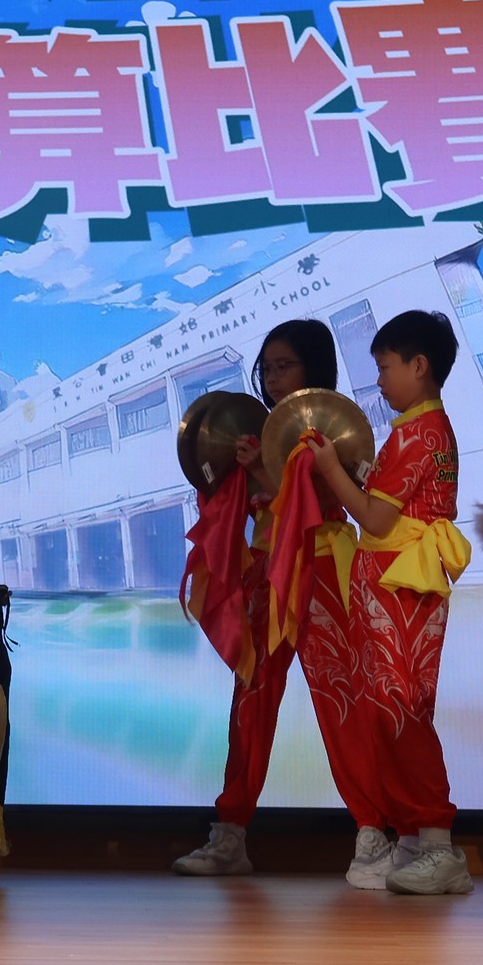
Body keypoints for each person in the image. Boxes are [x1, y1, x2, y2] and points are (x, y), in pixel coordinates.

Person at [174, 320, 387, 882]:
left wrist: (263, 474)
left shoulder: (332, 427)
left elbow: (322, 499)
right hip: (270, 571)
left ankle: (372, 835)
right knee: (250, 701)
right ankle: (230, 834)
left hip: (321, 568)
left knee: (340, 700)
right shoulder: (260, 430)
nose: (271, 377)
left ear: (313, 366)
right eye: (266, 368)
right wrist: (232, 473)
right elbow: (245, 500)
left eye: (283, 365)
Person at [307, 310, 472, 895]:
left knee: (402, 710)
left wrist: (331, 468)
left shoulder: (416, 434)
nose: (378, 380)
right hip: (395, 579)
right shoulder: (424, 430)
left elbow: (375, 518)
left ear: (418, 366)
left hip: (400, 581)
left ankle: (438, 844)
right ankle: (417, 840)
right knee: (391, 709)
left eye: (384, 367)